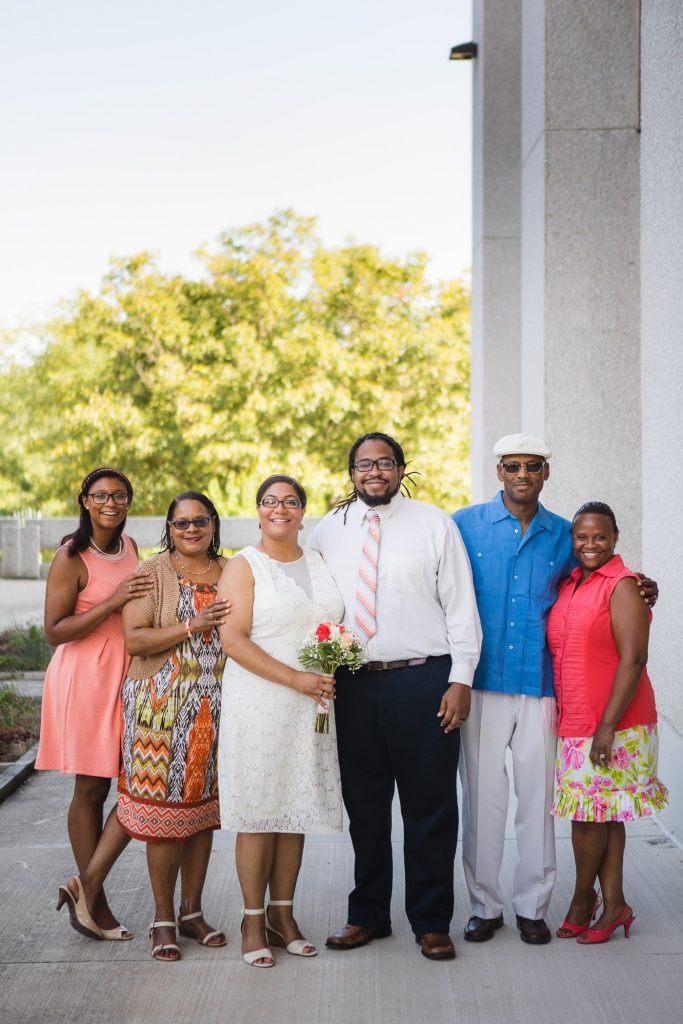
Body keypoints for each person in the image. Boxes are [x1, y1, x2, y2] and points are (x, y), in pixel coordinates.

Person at [453, 433, 658, 946]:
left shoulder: (566, 535)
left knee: (539, 800)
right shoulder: (462, 526)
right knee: (483, 798)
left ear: (546, 472)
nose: (523, 474)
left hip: (545, 689)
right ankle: (484, 906)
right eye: (513, 465)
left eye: (534, 466)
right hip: (482, 682)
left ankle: (533, 907)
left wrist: (643, 584)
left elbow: (604, 576)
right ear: (498, 470)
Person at [307, 433, 482, 961]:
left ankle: (431, 921)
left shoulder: (434, 524)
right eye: (364, 464)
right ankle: (368, 916)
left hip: (422, 680)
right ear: (351, 473)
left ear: (401, 469)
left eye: (385, 463)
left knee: (430, 807)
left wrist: (461, 679)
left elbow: (460, 606)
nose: (374, 472)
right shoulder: (327, 531)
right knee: (365, 805)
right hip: (354, 683)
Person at [217, 474, 343, 968]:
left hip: (311, 705)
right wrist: (295, 678)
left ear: (302, 511)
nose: (280, 509)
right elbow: (233, 640)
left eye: (290, 502)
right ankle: (252, 920)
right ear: (258, 510)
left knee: (296, 809)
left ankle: (283, 915)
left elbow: (333, 624)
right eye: (271, 501)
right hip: (261, 700)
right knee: (259, 812)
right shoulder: (244, 566)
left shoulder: (318, 562)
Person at [37, 466, 153, 939]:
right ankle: (96, 904)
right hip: (85, 676)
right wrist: (110, 603)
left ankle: (84, 886)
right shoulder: (71, 555)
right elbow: (53, 630)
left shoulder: (128, 548)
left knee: (136, 787)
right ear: (85, 500)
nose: (111, 503)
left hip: (126, 675)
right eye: (101, 495)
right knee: (91, 790)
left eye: (120, 495)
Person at [117, 491, 230, 962]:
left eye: (199, 521)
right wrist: (193, 625)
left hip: (216, 705)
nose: (190, 530)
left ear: (213, 524)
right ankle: (163, 918)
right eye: (180, 523)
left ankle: (192, 912)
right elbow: (134, 640)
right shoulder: (150, 573)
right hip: (158, 708)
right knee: (164, 818)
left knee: (202, 811)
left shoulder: (231, 572)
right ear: (169, 527)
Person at [547, 501, 667, 944]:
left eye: (600, 536)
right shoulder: (570, 584)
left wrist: (607, 727)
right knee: (605, 813)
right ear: (572, 540)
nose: (590, 544)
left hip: (615, 723)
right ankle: (615, 904)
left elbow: (634, 658)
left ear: (615, 538)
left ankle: (583, 901)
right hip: (575, 718)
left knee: (585, 818)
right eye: (582, 537)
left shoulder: (623, 585)